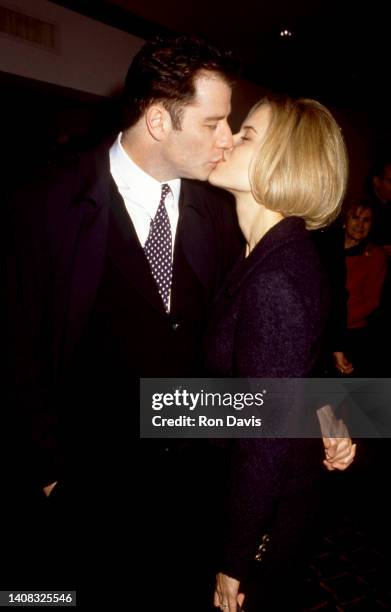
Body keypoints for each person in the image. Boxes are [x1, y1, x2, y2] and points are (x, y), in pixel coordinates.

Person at [6, 37, 354, 608]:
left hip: (198, 495)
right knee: (45, 598)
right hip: (88, 489)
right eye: (217, 122)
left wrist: (335, 407)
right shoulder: (45, 203)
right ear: (159, 120)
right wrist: (49, 471)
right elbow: (16, 348)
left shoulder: (228, 212)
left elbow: (281, 349)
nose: (225, 138)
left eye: (237, 129)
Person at [206, 96, 352, 611]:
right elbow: (300, 362)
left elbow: (262, 436)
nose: (224, 139)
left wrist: (234, 558)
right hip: (273, 485)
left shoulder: (276, 277)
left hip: (266, 504)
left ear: (283, 163)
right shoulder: (271, 250)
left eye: (245, 135)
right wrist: (331, 412)